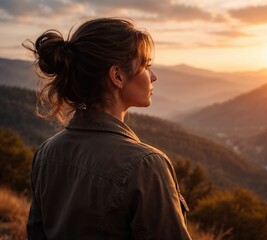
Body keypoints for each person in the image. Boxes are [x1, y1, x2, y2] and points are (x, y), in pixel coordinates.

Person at [24, 18, 192, 239]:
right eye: (146, 66)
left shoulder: (46, 153)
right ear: (118, 76)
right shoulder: (146, 165)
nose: (153, 76)